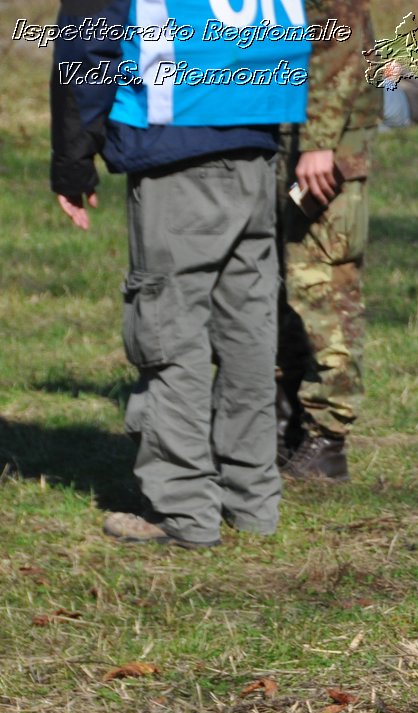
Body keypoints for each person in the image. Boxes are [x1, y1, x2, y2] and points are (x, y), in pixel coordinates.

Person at [50, 0, 310, 548]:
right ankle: (253, 502)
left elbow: (86, 40)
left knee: (170, 335)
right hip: (258, 147)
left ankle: (185, 511)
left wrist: (73, 160)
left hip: (177, 152)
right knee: (249, 334)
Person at [276, 0, 383, 483]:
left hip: (322, 154)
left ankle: (325, 441)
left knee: (322, 291)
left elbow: (337, 30)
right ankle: (293, 427)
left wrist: (317, 140)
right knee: (290, 290)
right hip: (296, 144)